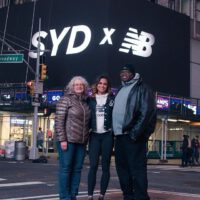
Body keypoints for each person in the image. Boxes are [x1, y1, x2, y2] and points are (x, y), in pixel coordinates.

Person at [112, 64, 157, 200]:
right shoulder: (120, 89)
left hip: (133, 137)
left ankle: (141, 197)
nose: (123, 74)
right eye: (121, 71)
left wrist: (134, 134)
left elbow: (146, 113)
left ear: (132, 73)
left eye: (126, 71)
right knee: (122, 170)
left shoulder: (143, 89)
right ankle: (128, 195)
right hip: (119, 137)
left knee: (137, 170)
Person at [55, 76, 91, 200]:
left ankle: (73, 195)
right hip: (68, 141)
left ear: (84, 87)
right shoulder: (65, 99)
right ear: (72, 87)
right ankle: (65, 197)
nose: (79, 86)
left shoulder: (85, 102)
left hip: (81, 142)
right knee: (66, 169)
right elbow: (59, 121)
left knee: (77, 170)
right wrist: (62, 139)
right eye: (76, 85)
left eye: (81, 85)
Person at [87, 75, 115, 200]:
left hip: (107, 135)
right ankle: (90, 195)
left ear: (108, 86)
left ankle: (102, 194)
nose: (102, 85)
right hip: (94, 135)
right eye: (100, 83)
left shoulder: (112, 99)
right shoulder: (90, 99)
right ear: (96, 85)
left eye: (105, 84)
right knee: (93, 165)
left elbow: (117, 115)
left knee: (105, 166)